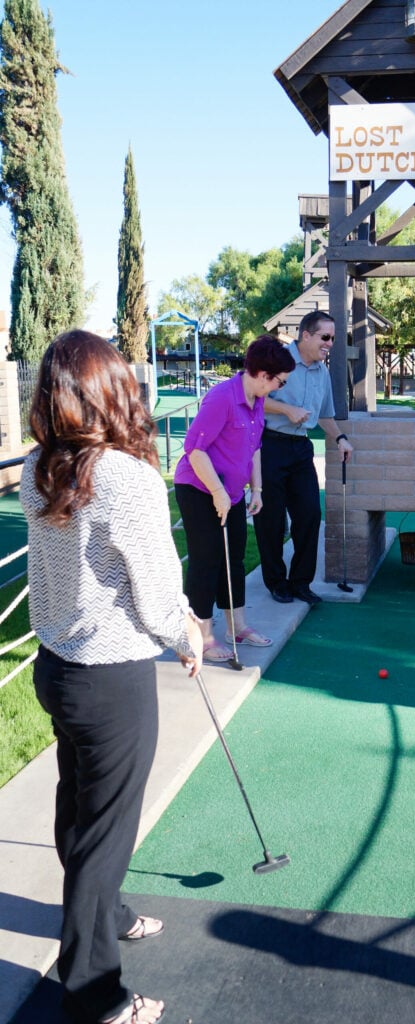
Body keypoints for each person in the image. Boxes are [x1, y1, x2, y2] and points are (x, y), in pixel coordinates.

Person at [20, 331, 204, 1024]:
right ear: (110, 391)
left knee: (81, 812)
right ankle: (95, 995)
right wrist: (187, 631)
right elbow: (157, 595)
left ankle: (111, 913)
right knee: (103, 834)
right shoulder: (125, 479)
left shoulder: (42, 462)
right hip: (110, 681)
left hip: (60, 672)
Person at [174, 335, 295, 658]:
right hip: (199, 488)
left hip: (232, 492)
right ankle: (199, 638)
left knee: (234, 559)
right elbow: (194, 450)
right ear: (263, 374)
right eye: (279, 382)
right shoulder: (221, 398)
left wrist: (256, 489)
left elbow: (254, 448)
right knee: (206, 561)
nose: (278, 389)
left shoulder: (256, 400)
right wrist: (216, 493)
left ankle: (236, 628)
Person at [253, 311, 353, 604]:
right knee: (270, 519)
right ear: (305, 335)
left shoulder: (322, 372)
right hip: (269, 446)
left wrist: (340, 438)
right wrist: (287, 410)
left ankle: (300, 582)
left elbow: (325, 415)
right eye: (325, 337)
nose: (330, 343)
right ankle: (276, 582)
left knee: (309, 514)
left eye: (333, 338)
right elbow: (256, 397)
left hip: (301, 449)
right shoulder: (278, 360)